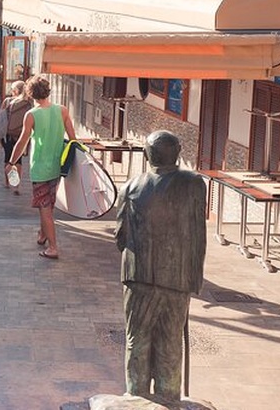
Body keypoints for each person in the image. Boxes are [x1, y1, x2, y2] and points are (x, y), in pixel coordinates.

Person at [114, 130, 207, 402]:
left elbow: (121, 238)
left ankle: (136, 396)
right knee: (170, 341)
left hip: (137, 277)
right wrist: (194, 279)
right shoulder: (193, 184)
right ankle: (168, 398)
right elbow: (199, 235)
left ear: (146, 155)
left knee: (137, 339)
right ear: (178, 153)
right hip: (177, 279)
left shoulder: (130, 187)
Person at [9, 75, 76, 259]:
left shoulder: (32, 115)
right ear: (48, 91)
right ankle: (43, 234)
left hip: (39, 167)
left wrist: (12, 162)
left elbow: (22, 141)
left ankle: (53, 247)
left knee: (44, 208)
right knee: (48, 204)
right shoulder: (62, 110)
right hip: (57, 166)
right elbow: (73, 139)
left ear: (30, 94)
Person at [0, 80, 33, 195]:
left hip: (8, 134)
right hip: (21, 134)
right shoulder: (28, 103)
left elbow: (1, 117)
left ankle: (8, 182)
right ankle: (16, 186)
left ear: (15, 90)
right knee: (18, 160)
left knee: (8, 158)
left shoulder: (8, 101)